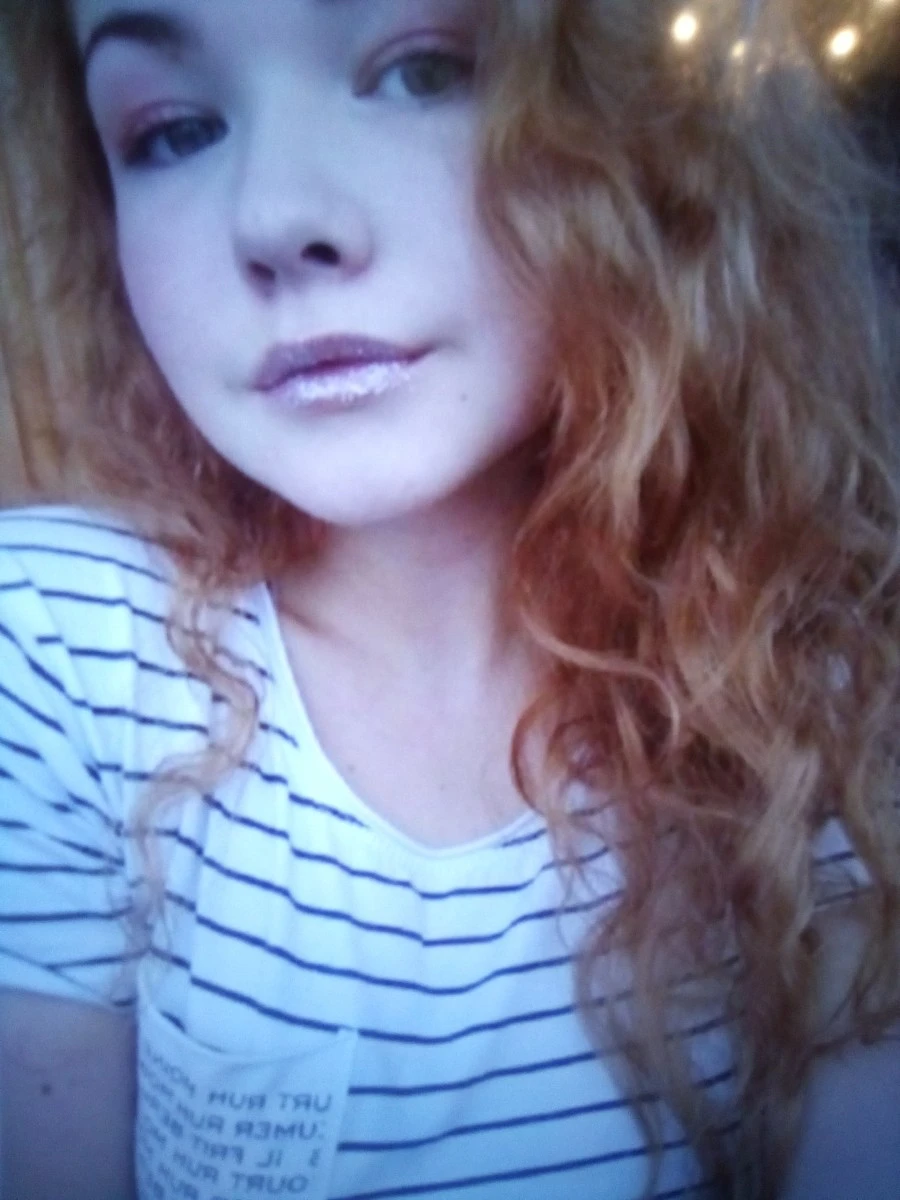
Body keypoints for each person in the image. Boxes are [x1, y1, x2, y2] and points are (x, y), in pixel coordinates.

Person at [1, 1, 898, 1197]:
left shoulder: (813, 679)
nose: (276, 217)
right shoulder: (60, 650)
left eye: (421, 71)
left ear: (636, 130)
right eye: (172, 131)